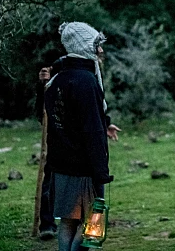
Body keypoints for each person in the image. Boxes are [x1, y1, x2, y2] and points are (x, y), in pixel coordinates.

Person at [44, 22, 114, 251]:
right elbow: (92, 130)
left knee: (68, 220)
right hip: (83, 165)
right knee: (91, 220)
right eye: (97, 44)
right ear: (86, 46)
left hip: (61, 162)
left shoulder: (57, 80)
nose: (100, 50)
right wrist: (100, 170)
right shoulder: (85, 81)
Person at [36, 57, 121, 240]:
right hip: (63, 144)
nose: (101, 55)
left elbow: (91, 111)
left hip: (74, 145)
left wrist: (105, 124)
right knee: (52, 182)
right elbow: (51, 110)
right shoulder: (64, 70)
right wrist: (43, 85)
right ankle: (48, 223)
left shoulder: (90, 75)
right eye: (98, 51)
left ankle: (83, 228)